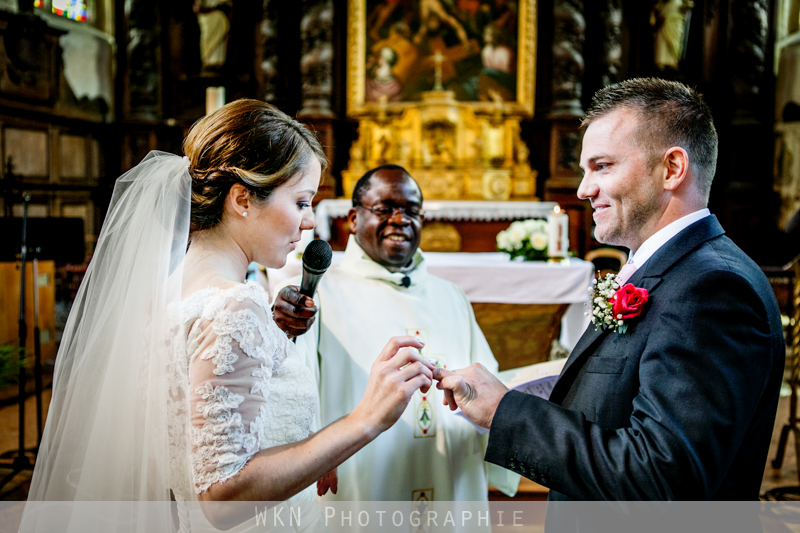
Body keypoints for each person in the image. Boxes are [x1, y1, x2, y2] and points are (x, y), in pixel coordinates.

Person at [21, 100, 435, 533]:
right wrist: (364, 420)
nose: (310, 222)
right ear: (242, 199)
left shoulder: (171, 290)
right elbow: (222, 496)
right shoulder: (234, 306)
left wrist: (309, 452)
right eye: (300, 201)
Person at [435, 79, 784, 514]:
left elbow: (660, 475)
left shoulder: (713, 289)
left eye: (602, 166)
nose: (583, 189)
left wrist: (506, 413)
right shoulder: (671, 269)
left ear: (672, 168)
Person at [272, 164, 519, 506]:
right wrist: (284, 329)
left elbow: (489, 388)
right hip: (362, 474)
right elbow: (292, 384)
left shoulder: (451, 296)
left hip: (448, 472)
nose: (400, 219)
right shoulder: (323, 295)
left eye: (411, 211)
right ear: (354, 219)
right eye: (385, 209)